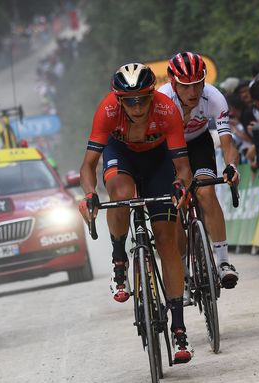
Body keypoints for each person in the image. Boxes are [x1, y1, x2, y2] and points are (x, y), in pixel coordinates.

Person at [78, 63, 194, 363]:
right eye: (130, 100)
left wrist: (181, 186)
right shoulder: (106, 111)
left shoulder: (168, 110)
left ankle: (179, 327)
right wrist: (90, 195)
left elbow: (182, 167)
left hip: (159, 163)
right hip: (122, 156)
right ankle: (119, 256)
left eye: (143, 98)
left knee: (167, 243)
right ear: (118, 99)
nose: (138, 106)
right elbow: (88, 165)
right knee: (121, 194)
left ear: (153, 94)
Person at [157, 52, 240, 295]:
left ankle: (223, 261)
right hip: (168, 150)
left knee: (206, 192)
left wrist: (231, 167)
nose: (193, 92)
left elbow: (227, 144)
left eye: (197, 83)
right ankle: (182, 267)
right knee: (175, 205)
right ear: (174, 84)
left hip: (198, 143)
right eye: (186, 86)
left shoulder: (214, 97)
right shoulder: (161, 99)